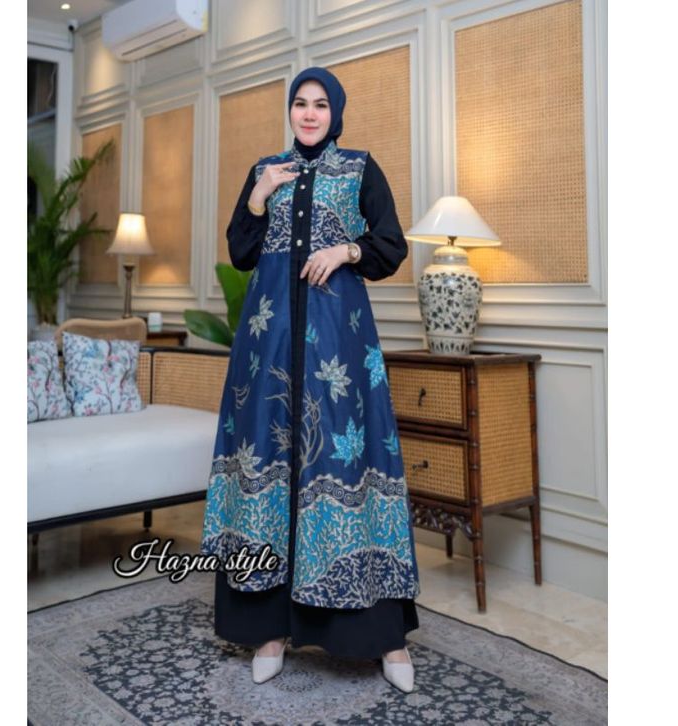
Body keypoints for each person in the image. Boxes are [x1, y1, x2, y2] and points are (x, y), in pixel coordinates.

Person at [200, 67, 420, 693]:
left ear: (335, 112)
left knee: (343, 464)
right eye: (300, 103)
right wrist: (258, 196)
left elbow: (390, 245)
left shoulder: (360, 169)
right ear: (290, 110)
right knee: (268, 464)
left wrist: (344, 251)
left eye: (321, 104)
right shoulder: (266, 169)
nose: (309, 113)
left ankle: (385, 637)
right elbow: (241, 251)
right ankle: (268, 630)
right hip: (267, 345)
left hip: (338, 348)